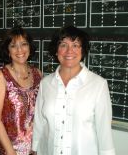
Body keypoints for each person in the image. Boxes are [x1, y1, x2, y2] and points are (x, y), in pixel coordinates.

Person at [32, 26, 116, 155]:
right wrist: (34, 148)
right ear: (56, 50)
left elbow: (104, 131)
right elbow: (39, 122)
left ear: (83, 51)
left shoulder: (98, 85)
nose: (69, 51)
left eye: (76, 45)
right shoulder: (46, 83)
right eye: (63, 45)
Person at [0, 27, 42, 155]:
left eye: (24, 44)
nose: (20, 50)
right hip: (8, 150)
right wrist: (10, 151)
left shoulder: (38, 74)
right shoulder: (1, 76)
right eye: (13, 46)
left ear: (29, 46)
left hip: (33, 149)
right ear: (8, 50)